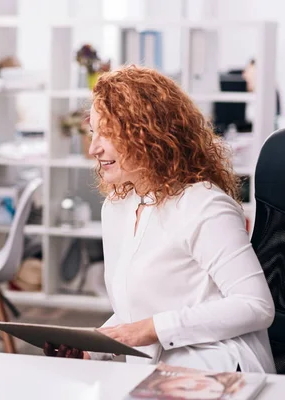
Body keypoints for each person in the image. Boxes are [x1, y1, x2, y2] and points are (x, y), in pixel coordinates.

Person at [44, 66, 276, 373]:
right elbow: (137, 312)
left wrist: (153, 328)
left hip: (219, 366)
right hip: (156, 370)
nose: (94, 148)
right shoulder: (118, 206)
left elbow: (256, 306)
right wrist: (93, 351)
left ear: (147, 132)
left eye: (108, 133)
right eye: (93, 132)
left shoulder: (203, 204)